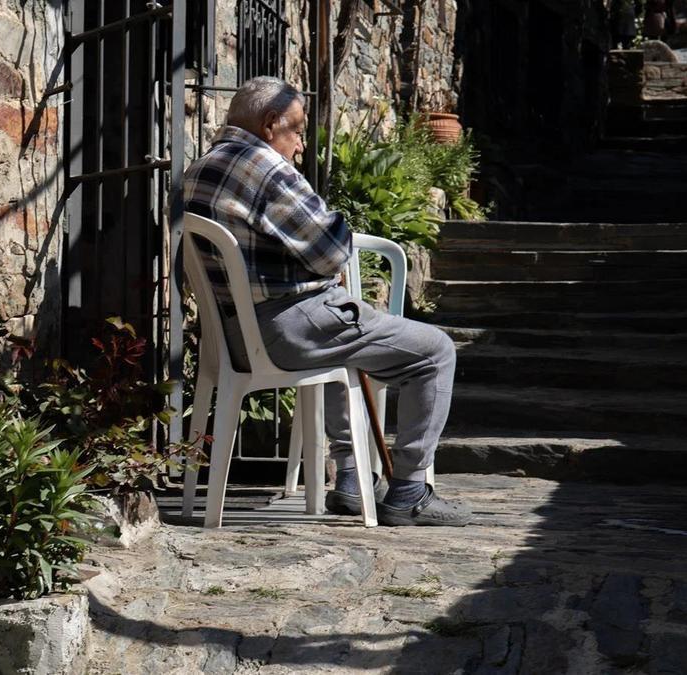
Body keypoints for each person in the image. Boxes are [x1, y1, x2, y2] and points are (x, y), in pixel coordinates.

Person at [183, 76, 472, 527]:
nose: (300, 144)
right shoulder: (265, 168)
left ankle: (354, 478)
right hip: (287, 330)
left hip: (233, 336)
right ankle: (409, 492)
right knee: (434, 352)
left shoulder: (197, 170)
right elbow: (333, 250)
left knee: (345, 339)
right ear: (269, 123)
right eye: (297, 130)